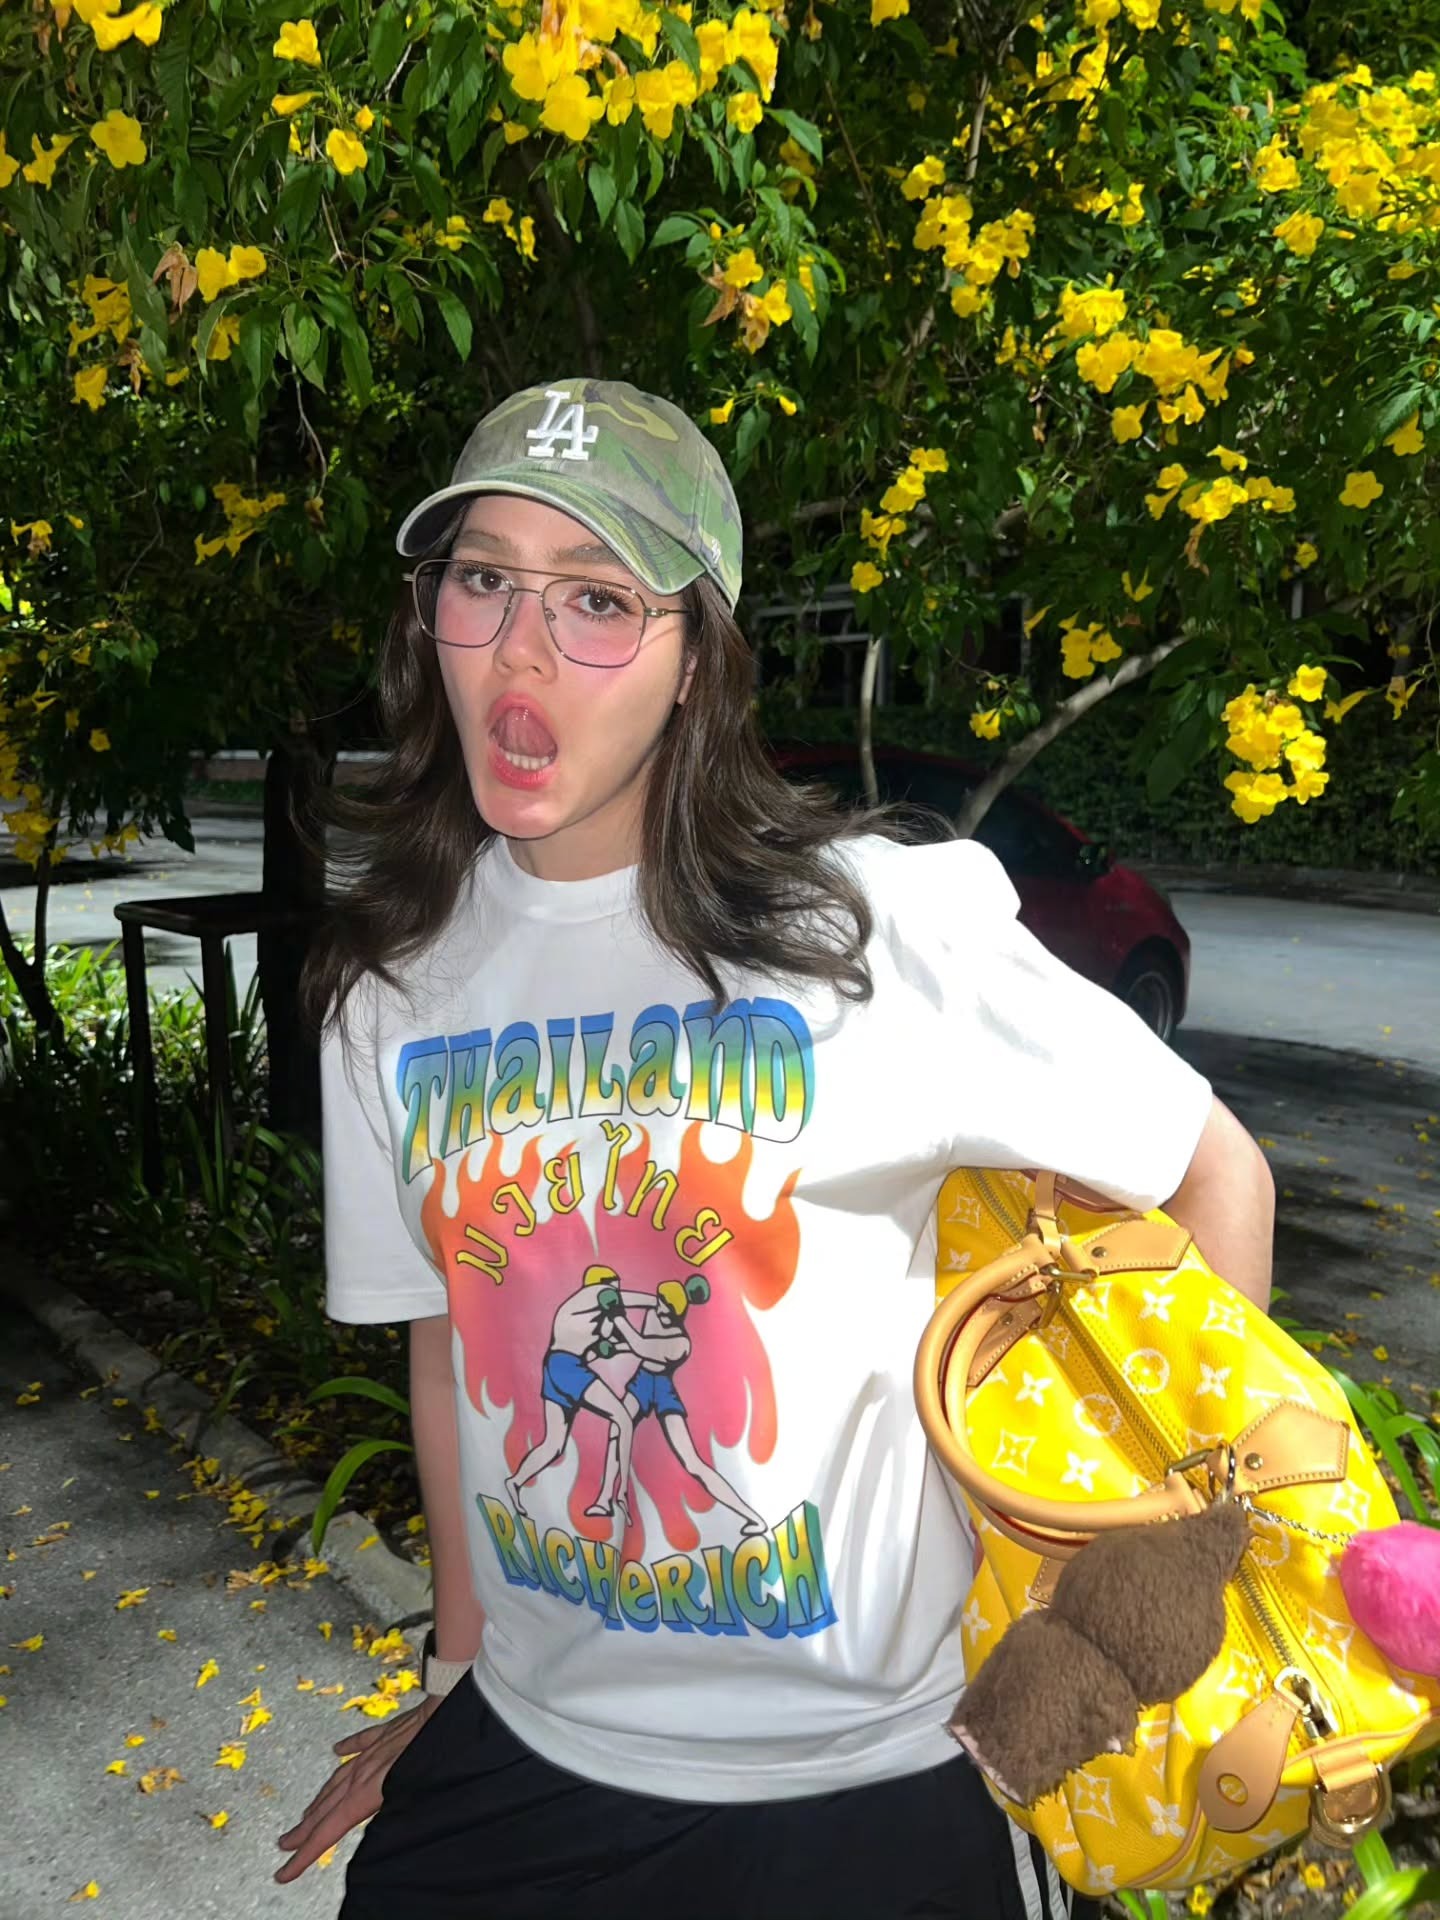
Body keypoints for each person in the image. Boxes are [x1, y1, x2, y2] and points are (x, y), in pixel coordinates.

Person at [275, 377, 1276, 1920]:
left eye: (598, 599)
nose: (520, 650)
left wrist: (1137, 1598)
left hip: (873, 1795)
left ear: (696, 663)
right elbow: (446, 1344)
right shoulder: (392, 988)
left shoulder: (868, 931)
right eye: (484, 580)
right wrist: (455, 1676)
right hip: (531, 1767)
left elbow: (1215, 1172)